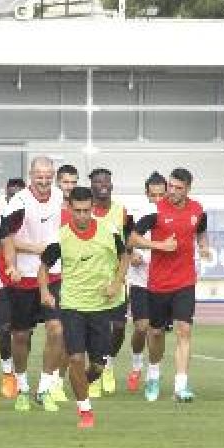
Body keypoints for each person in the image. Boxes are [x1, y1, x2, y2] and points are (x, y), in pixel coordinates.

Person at [39, 187, 127, 428]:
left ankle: (79, 384)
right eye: (77, 211)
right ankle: (85, 410)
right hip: (72, 306)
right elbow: (43, 267)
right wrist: (45, 291)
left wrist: (116, 283)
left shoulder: (109, 231)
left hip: (101, 307)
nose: (82, 216)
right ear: (69, 209)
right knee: (76, 358)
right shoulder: (61, 237)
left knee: (97, 366)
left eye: (86, 210)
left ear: (92, 208)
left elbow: (125, 257)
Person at [129, 168, 209, 402]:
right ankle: (153, 374)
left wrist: (203, 246)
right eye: (170, 186)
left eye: (178, 188)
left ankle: (180, 386)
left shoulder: (197, 210)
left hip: (185, 280)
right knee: (156, 333)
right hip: (158, 283)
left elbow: (201, 232)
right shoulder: (155, 210)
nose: (172, 191)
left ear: (188, 189)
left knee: (184, 330)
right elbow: (132, 238)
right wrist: (160, 246)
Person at [1, 156, 67, 412]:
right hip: (24, 278)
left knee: (56, 330)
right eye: (39, 175)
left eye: (48, 176)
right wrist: (13, 264)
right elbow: (6, 238)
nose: (44, 180)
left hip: (53, 275)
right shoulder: (19, 203)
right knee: (20, 335)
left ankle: (45, 388)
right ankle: (22, 387)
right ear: (31, 175)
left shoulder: (61, 198)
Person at [87, 167, 131, 397]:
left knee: (119, 328)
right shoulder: (84, 211)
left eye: (106, 181)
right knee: (96, 330)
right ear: (91, 186)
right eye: (98, 181)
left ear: (111, 185)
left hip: (116, 279)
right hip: (90, 280)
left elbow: (129, 241)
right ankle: (94, 375)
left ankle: (108, 363)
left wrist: (132, 257)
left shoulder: (121, 211)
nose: (103, 185)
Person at [126, 172, 166, 392]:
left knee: (157, 331)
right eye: (153, 195)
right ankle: (136, 365)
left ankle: (153, 373)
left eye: (161, 194)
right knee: (141, 327)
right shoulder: (136, 214)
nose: (158, 199)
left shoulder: (172, 215)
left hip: (164, 282)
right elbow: (125, 239)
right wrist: (132, 254)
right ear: (146, 194)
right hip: (140, 280)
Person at [0, 177, 26, 399]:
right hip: (2, 279)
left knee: (23, 333)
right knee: (3, 329)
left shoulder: (30, 215)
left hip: (28, 279)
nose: (14, 198)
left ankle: (22, 376)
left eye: (18, 195)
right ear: (6, 196)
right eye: (10, 194)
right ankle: (7, 373)